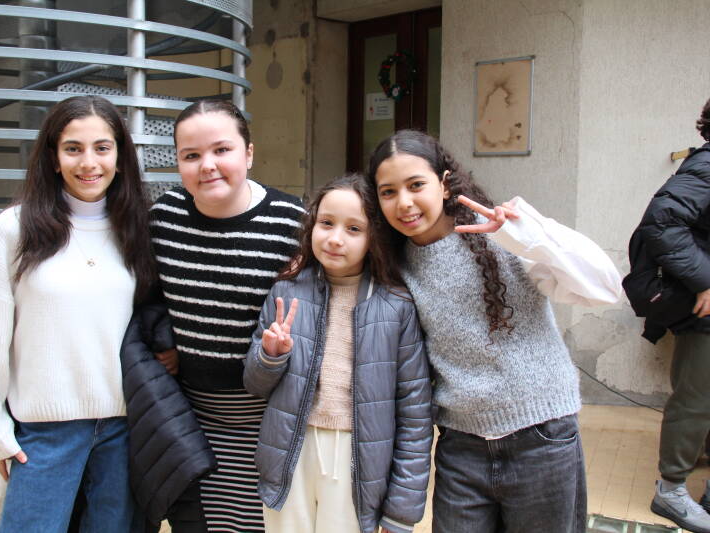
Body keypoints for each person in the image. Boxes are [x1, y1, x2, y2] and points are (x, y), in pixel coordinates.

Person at [366, 129, 622, 533]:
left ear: (444, 183)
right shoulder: (393, 262)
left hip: (542, 438)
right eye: (388, 192)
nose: (404, 203)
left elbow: (605, 288)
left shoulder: (502, 234)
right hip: (460, 446)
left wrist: (529, 236)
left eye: (416, 185)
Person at [0, 95, 157, 532]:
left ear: (120, 157)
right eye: (73, 148)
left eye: (102, 148)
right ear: (53, 157)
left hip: (123, 428)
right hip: (44, 433)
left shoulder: (135, 228)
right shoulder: (14, 229)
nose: (89, 162)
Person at [243, 174, 433, 533]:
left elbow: (415, 413)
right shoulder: (286, 290)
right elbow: (254, 383)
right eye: (326, 223)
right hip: (290, 450)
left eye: (354, 229)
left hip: (358, 459)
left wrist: (402, 512)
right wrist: (270, 355)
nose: (334, 238)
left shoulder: (396, 306)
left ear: (374, 237)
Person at [148, 99, 305, 532]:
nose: (207, 166)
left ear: (248, 153)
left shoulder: (293, 223)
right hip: (189, 418)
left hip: (270, 421)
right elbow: (147, 298)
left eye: (222, 150)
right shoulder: (164, 219)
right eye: (191, 155)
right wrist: (165, 341)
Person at [634, 98, 710, 533]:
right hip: (703, 308)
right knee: (696, 399)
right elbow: (662, 222)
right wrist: (705, 279)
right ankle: (672, 490)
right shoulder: (706, 166)